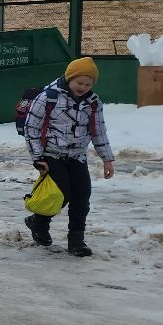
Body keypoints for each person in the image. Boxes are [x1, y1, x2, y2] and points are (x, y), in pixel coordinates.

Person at [22, 57, 116, 256]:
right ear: (69, 78)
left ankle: (76, 240)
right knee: (59, 194)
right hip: (51, 155)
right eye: (79, 83)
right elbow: (31, 126)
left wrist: (107, 158)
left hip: (77, 156)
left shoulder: (93, 103)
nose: (83, 87)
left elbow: (98, 131)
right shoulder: (49, 97)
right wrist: (37, 156)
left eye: (88, 84)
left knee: (82, 198)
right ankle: (39, 223)